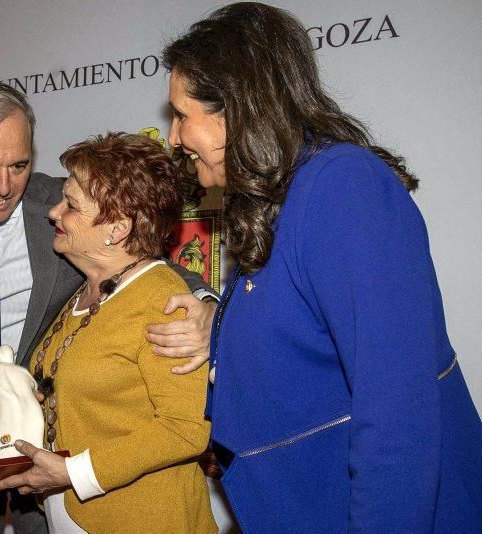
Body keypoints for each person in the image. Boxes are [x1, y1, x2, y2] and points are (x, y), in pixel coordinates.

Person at [162, 2, 482, 532]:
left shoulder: (342, 188)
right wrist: (216, 329)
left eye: (182, 114)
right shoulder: (273, 202)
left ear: (237, 109)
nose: (174, 137)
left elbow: (398, 414)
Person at [0, 80, 217, 533]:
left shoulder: (67, 207)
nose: (4, 186)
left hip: (54, 445)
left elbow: (148, 268)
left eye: (19, 165)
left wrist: (207, 308)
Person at [0, 132, 217, 533]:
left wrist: (75, 472)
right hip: (74, 517)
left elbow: (187, 428)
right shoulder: (87, 288)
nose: (53, 213)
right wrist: (21, 408)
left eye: (71, 205)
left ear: (116, 227)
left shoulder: (160, 301)